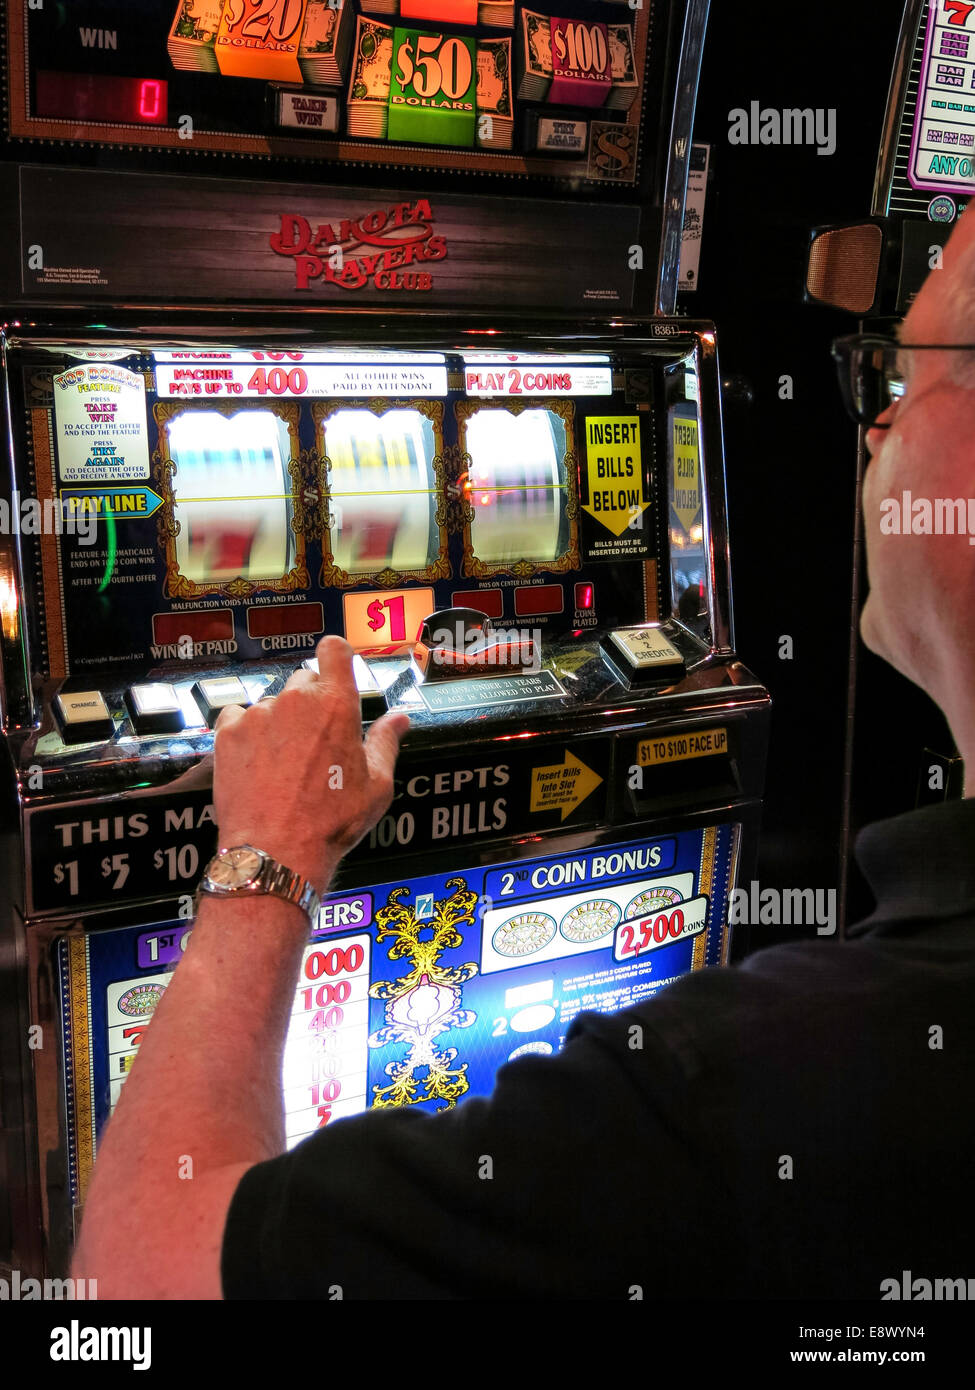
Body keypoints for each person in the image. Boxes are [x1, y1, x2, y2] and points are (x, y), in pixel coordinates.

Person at [71, 207, 975, 1302]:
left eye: (899, 379)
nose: (872, 434)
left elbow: (135, 1281)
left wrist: (264, 854)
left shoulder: (741, 1090)